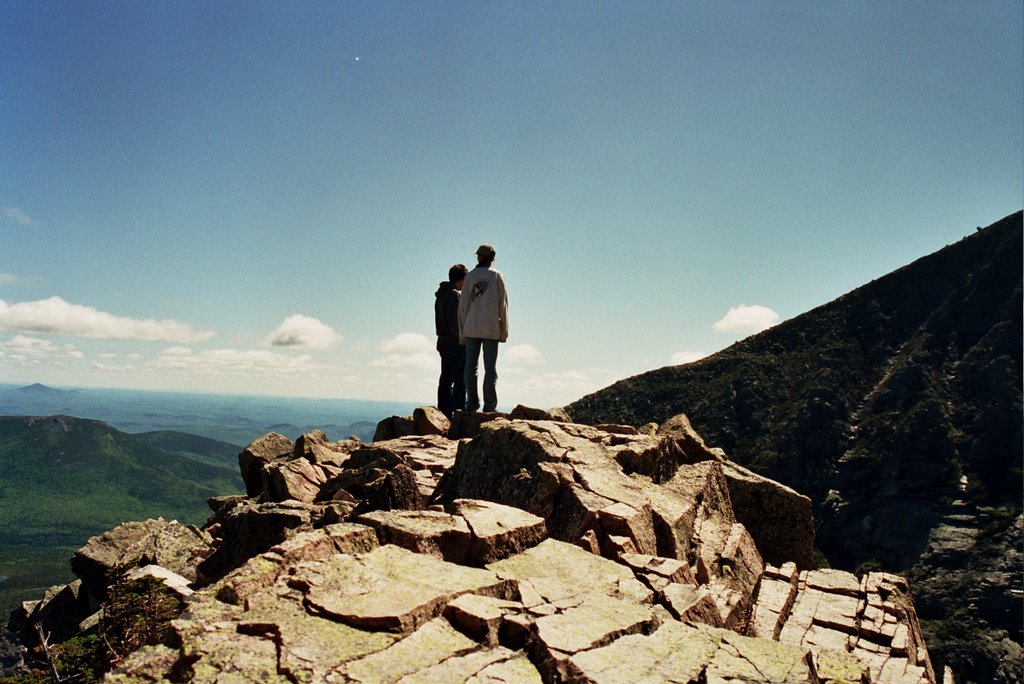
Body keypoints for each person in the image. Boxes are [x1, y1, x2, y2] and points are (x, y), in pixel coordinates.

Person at [459, 243, 508, 412]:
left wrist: (462, 331)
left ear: (479, 256)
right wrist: (504, 331)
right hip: (491, 327)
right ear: (492, 258)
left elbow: (463, 305)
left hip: (472, 326)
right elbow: (503, 306)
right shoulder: (497, 276)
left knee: (470, 367)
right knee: (490, 368)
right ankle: (489, 406)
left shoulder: (470, 277)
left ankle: (472, 404)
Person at [435, 263, 468, 419]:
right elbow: (455, 323)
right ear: (461, 279)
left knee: (446, 378)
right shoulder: (453, 295)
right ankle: (458, 412)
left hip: (443, 342)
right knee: (460, 379)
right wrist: (463, 340)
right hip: (454, 343)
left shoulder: (441, 294)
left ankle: (443, 413)